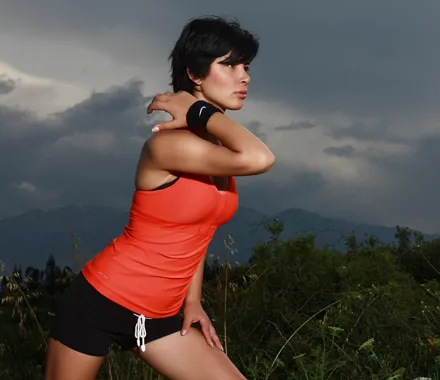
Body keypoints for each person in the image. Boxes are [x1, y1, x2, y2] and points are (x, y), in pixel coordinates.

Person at [45, 16, 275, 380]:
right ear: (195, 75)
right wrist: (201, 113)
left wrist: (193, 301)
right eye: (229, 65)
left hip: (161, 317)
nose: (244, 76)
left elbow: (198, 230)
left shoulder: (215, 149)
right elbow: (261, 158)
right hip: (102, 301)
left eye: (245, 66)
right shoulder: (169, 146)